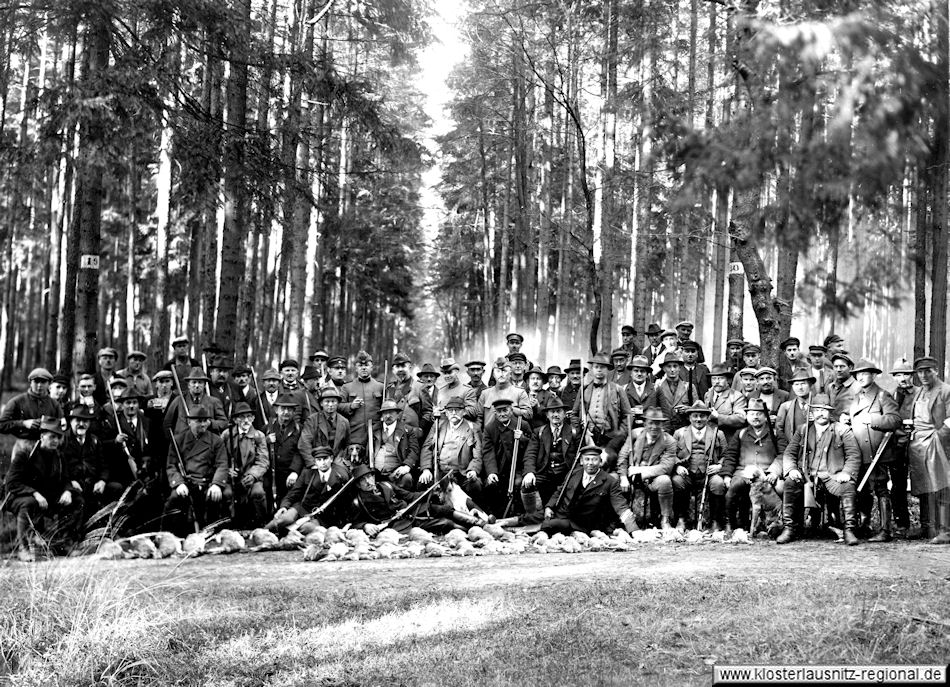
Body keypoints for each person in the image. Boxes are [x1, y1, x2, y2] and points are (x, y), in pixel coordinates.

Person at [776, 393, 862, 546]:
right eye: (816, 410)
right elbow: (789, 453)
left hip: (833, 476)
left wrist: (847, 473)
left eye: (824, 410)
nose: (820, 413)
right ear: (811, 413)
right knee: (790, 482)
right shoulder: (803, 430)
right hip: (807, 477)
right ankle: (789, 528)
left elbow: (853, 455)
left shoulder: (842, 430)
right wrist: (791, 469)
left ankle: (849, 529)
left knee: (848, 487)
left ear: (830, 412)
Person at [4, 418, 83, 561]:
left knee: (77, 500)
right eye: (52, 436)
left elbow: (65, 479)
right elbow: (12, 483)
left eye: (58, 437)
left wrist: (67, 491)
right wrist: (34, 493)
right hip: (19, 497)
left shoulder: (58, 456)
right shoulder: (26, 453)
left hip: (46, 497)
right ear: (42, 437)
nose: (55, 441)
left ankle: (64, 543)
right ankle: (23, 548)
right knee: (29, 503)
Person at [846, 359, 901, 541]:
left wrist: (873, 420)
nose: (861, 377)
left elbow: (895, 420)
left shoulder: (882, 396)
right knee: (862, 490)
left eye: (865, 373)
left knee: (880, 489)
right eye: (858, 374)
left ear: (874, 375)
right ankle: (865, 525)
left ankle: (885, 531)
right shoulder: (856, 397)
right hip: (859, 452)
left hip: (877, 452)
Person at [540, 445, 637, 535]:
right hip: (562, 515)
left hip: (584, 525)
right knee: (533, 519)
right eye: (587, 459)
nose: (590, 463)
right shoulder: (573, 473)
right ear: (581, 462)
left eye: (594, 460)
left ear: (600, 462)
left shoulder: (610, 481)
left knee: (549, 525)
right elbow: (560, 491)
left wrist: (634, 530)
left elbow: (621, 506)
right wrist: (549, 506)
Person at [162, 406, 230, 535]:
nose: (203, 424)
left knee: (224, 495)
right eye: (199, 421)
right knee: (174, 499)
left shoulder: (216, 440)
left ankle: (220, 533)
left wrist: (216, 484)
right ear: (189, 422)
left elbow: (222, 464)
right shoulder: (178, 440)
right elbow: (171, 465)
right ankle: (170, 536)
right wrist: (178, 483)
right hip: (188, 482)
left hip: (208, 482)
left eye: (206, 420)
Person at [720, 398, 783, 532]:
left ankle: (777, 524)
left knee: (782, 489)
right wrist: (727, 475)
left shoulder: (776, 433)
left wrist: (774, 472)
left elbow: (783, 455)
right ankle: (729, 524)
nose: (755, 417)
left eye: (759, 413)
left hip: (766, 473)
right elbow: (730, 455)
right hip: (743, 472)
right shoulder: (741, 433)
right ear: (747, 416)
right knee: (732, 490)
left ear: (766, 416)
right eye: (752, 414)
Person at [906, 356, 950, 544]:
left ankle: (945, 531)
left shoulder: (945, 390)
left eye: (927, 371)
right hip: (917, 444)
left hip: (935, 441)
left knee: (941, 486)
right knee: (923, 486)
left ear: (936, 371)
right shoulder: (919, 391)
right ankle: (926, 527)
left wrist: (939, 436)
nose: (923, 375)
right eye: (920, 372)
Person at [346, 464, 459, 535]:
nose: (368, 482)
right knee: (446, 523)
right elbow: (354, 523)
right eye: (363, 480)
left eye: (369, 477)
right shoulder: (357, 502)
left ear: (374, 477)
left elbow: (409, 496)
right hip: (398, 526)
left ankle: (475, 522)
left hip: (411, 512)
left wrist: (430, 492)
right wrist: (365, 526)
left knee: (445, 510)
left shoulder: (386, 485)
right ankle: (471, 531)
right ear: (358, 485)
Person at [617, 408, 677, 530]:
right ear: (645, 423)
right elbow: (622, 457)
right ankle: (618, 521)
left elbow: (666, 467)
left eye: (658, 423)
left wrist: (641, 471)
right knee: (613, 481)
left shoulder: (668, 440)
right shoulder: (634, 435)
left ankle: (665, 519)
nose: (654, 426)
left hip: (653, 479)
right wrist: (623, 477)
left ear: (662, 424)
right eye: (651, 423)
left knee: (665, 480)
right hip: (631, 477)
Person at [266, 447, 351, 532]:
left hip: (320, 517)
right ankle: (260, 532)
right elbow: (293, 493)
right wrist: (284, 506)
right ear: (315, 462)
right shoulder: (307, 474)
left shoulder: (339, 478)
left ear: (331, 459)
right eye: (319, 460)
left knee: (307, 528)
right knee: (284, 519)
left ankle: (286, 536)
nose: (323, 463)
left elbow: (344, 505)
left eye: (325, 459)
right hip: (302, 508)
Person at [672, 402, 727, 532]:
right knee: (677, 481)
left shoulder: (718, 434)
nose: (698, 419)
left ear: (708, 418)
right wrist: (677, 466)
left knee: (718, 484)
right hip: (687, 473)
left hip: (709, 473)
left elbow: (727, 455)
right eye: (695, 416)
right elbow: (670, 454)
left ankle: (715, 521)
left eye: (702, 416)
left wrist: (719, 466)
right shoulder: (679, 433)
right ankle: (681, 519)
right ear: (689, 417)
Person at [419, 397, 484, 503]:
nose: (454, 413)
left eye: (457, 410)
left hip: (462, 474)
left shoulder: (473, 428)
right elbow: (427, 448)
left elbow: (478, 453)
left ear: (463, 412)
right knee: (423, 482)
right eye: (450, 410)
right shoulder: (438, 426)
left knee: (475, 484)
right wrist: (426, 469)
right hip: (440, 473)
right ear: (446, 413)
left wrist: (473, 470)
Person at [221, 402, 270, 527]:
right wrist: (227, 470)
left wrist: (253, 475)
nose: (246, 420)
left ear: (253, 418)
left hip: (251, 478)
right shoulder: (227, 435)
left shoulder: (259, 436)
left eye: (249, 416)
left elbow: (263, 461)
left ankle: (261, 524)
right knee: (226, 494)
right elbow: (220, 458)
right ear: (236, 419)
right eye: (242, 417)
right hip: (231, 478)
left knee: (258, 493)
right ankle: (228, 525)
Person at [481, 398, 528, 516]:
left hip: (518, 468)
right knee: (491, 485)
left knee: (519, 484)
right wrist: (492, 472)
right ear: (495, 413)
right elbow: (488, 452)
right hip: (499, 469)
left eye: (505, 410)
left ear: (511, 411)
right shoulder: (490, 428)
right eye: (499, 411)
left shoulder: (522, 424)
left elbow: (532, 448)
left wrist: (522, 439)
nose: (502, 414)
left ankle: (519, 515)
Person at [61, 405, 110, 512]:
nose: (82, 424)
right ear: (71, 422)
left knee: (116, 488)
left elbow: (104, 466)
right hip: (71, 485)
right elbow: (59, 468)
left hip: (92, 484)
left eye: (85, 421)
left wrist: (102, 480)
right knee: (79, 502)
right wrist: (71, 482)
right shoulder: (62, 441)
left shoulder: (94, 440)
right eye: (78, 420)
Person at [0, 368, 63, 446]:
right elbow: (2, 425)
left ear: (49, 384)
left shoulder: (54, 404)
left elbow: (62, 428)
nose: (39, 385)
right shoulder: (17, 402)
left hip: (47, 446)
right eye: (36, 381)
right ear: (30, 383)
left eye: (43, 382)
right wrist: (23, 423)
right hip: (23, 445)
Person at [888, 358, 915, 536]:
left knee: (924, 483)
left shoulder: (919, 394)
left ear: (911, 376)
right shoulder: (891, 395)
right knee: (897, 484)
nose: (902, 378)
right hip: (897, 445)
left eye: (905, 374)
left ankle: (929, 524)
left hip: (917, 443)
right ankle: (901, 523)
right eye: (898, 375)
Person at [163, 366, 228, 436]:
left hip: (206, 443)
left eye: (200, 382)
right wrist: (175, 442)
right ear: (188, 385)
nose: (197, 385)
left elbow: (224, 423)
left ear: (204, 385)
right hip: (183, 444)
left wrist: (210, 423)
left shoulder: (214, 402)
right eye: (194, 382)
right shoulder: (179, 401)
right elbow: (167, 424)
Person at [368, 400, 418, 490]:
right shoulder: (373, 429)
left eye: (391, 412)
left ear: (398, 414)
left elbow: (414, 450)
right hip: (375, 472)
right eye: (385, 413)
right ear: (382, 415)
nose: (388, 416)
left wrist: (407, 466)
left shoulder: (407, 430)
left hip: (397, 472)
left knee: (407, 479)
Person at [265, 394, 304, 507]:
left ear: (294, 411)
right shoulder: (267, 428)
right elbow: (259, 451)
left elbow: (300, 452)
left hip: (290, 474)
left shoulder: (299, 429)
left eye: (290, 409)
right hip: (271, 474)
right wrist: (265, 441)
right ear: (276, 410)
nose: (286, 412)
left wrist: (295, 472)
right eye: (283, 408)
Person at [339, 350, 384, 449]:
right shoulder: (347, 387)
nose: (363, 368)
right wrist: (351, 406)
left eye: (367, 365)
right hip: (354, 434)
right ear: (356, 368)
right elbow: (338, 406)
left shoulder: (381, 387)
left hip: (376, 434)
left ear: (372, 367)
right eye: (360, 365)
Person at [298, 387, 351, 465]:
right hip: (317, 461)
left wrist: (341, 459)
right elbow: (304, 444)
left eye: (333, 401)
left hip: (337, 461)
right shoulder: (312, 420)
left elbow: (346, 445)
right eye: (327, 402)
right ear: (321, 404)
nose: (330, 405)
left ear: (338, 403)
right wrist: (313, 463)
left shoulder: (344, 422)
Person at [475, 358, 531, 429]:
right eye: (498, 371)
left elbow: (529, 414)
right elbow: (478, 419)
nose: (501, 374)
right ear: (493, 374)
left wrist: (511, 409)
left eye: (504, 371)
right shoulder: (485, 393)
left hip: (511, 436)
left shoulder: (519, 392)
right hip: (490, 437)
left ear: (510, 374)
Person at [652, 351, 697, 433]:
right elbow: (653, 411)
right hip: (664, 430)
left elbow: (697, 411)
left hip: (683, 431)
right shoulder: (657, 388)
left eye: (675, 366)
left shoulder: (689, 387)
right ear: (664, 369)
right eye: (669, 366)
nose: (672, 369)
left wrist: (688, 409)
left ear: (680, 368)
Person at [703, 363, 747, 443]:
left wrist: (718, 416)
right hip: (709, 439)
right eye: (714, 378)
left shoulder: (736, 396)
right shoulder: (708, 395)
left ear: (728, 380)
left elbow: (740, 419)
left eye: (721, 378)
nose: (717, 382)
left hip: (728, 440)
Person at [775, 370, 815, 454]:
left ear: (810, 385)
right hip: (793, 451)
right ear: (793, 387)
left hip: (814, 452)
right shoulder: (785, 407)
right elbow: (779, 431)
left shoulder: (818, 406)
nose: (800, 387)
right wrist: (785, 452)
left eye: (803, 384)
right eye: (796, 384)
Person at [624, 355, 656, 429]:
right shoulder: (624, 389)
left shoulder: (655, 389)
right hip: (630, 429)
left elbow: (663, 411)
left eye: (642, 371)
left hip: (651, 429)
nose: (639, 374)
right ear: (631, 373)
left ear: (647, 374)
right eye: (636, 371)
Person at [827, 352, 856, 420]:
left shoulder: (857, 387)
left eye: (842, 366)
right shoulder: (831, 387)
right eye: (836, 366)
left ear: (850, 368)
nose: (838, 370)